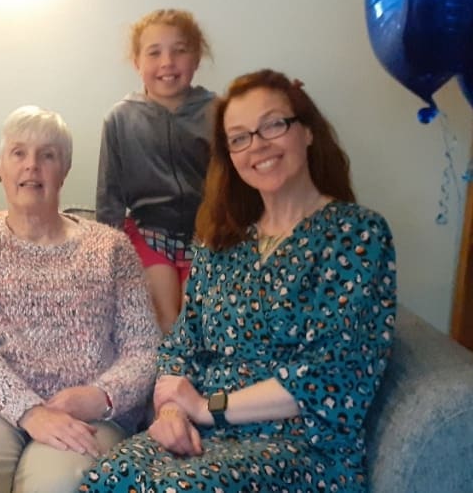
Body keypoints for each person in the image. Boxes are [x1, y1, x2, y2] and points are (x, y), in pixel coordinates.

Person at [79, 69, 397, 492]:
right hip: (204, 436)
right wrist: (172, 411)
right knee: (106, 475)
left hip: (300, 446)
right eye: (240, 138)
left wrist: (206, 407)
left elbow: (332, 374)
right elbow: (181, 345)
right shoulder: (220, 241)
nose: (258, 145)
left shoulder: (355, 235)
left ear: (307, 132)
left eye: (273, 125)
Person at [0, 106, 161, 493]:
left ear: (64, 169)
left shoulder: (111, 248)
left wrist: (102, 397)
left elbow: (145, 348)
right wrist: (28, 410)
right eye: (18, 153)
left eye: (47, 155)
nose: (31, 166)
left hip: (88, 413)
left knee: (58, 484)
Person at [95, 8, 216, 333]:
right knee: (166, 318)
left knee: (199, 319)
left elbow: (235, 181)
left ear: (196, 59)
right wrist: (106, 258)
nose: (167, 62)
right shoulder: (120, 119)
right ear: (137, 62)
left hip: (205, 235)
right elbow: (109, 196)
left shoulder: (217, 112)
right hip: (150, 232)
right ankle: (167, 365)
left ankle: (194, 364)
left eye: (179, 51)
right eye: (154, 53)